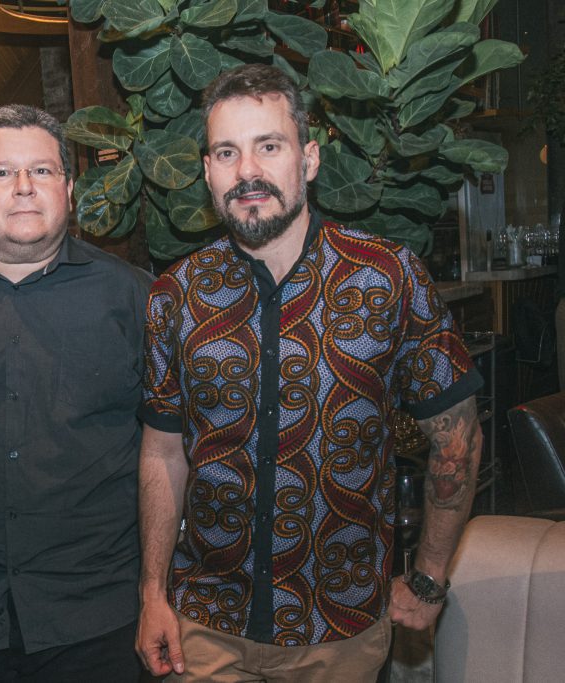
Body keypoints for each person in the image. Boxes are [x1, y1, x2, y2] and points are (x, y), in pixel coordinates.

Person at [136, 64, 485, 682]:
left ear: (310, 159)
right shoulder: (175, 295)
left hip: (341, 628)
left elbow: (455, 437)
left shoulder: (388, 277)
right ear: (208, 172)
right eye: (226, 152)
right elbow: (164, 453)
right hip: (206, 624)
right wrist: (153, 593)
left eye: (269, 146)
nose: (248, 171)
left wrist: (429, 578)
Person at [0, 104, 152, 681]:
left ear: (68, 187)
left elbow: (168, 450)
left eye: (41, 172)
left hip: (97, 617)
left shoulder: (135, 299)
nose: (22, 188)